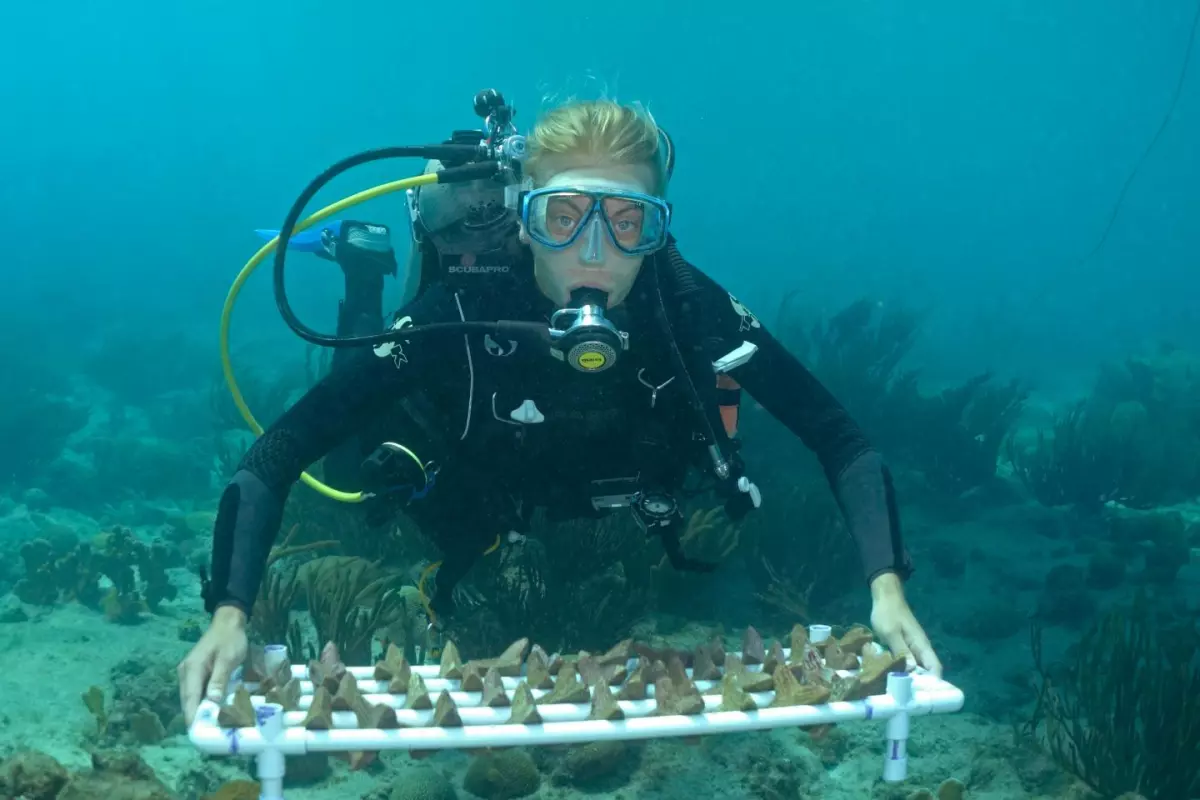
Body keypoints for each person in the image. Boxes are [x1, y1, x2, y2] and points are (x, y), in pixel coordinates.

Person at [179, 99, 942, 723]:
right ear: (524, 222)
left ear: (656, 230)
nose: (594, 253)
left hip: (609, 489)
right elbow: (280, 450)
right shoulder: (463, 309)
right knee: (356, 453)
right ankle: (363, 271)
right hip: (475, 473)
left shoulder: (690, 309)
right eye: (563, 216)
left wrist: (886, 586)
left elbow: (839, 438)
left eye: (628, 221)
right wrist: (230, 612)